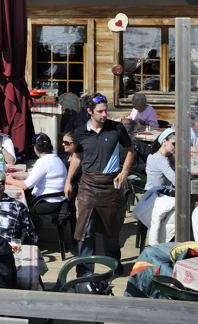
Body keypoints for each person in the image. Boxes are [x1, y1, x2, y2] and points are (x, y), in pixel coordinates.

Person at [65, 94, 133, 276]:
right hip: (87, 184)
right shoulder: (79, 132)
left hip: (110, 185)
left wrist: (125, 171)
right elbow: (77, 157)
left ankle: (114, 264)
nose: (104, 114)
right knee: (85, 230)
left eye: (106, 110)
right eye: (100, 111)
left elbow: (129, 150)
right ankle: (85, 273)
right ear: (89, 112)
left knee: (111, 230)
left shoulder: (116, 128)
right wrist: (68, 181)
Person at [5, 133, 68, 210]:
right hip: (56, 199)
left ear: (35, 147)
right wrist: (15, 175)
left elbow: (26, 185)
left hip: (47, 202)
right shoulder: (54, 157)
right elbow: (33, 174)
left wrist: (10, 180)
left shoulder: (43, 161)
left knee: (12, 200)